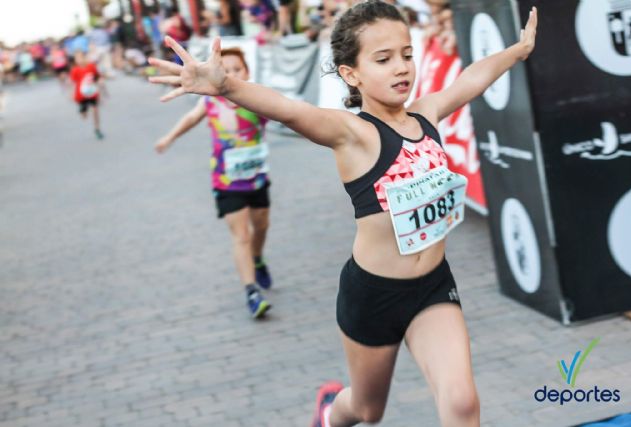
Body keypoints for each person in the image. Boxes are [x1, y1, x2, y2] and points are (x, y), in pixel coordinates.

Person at [148, 1, 537, 425]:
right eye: (383, 59)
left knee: (462, 402)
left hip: (433, 287)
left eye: (407, 54)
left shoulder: (426, 114)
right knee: (367, 411)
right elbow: (291, 110)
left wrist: (516, 51)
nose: (401, 67)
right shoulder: (352, 133)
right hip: (372, 295)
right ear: (351, 74)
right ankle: (329, 414)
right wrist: (227, 86)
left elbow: (470, 80)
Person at [154, 47, 274, 319]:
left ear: (247, 72)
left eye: (237, 69)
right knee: (241, 235)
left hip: (257, 178)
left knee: (262, 226)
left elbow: (288, 114)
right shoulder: (210, 102)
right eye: (225, 69)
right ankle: (251, 291)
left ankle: (258, 259)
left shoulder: (257, 100)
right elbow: (189, 119)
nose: (230, 74)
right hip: (226, 181)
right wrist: (168, 138)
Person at [70, 50, 104, 139]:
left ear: (85, 57)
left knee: (95, 110)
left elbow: (97, 77)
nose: (80, 60)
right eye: (77, 58)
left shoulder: (91, 66)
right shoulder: (75, 70)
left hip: (92, 93)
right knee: (84, 115)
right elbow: (73, 83)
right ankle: (83, 110)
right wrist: (71, 94)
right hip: (81, 96)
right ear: (75, 60)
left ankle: (97, 129)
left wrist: (100, 82)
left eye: (81, 57)